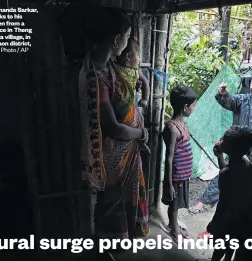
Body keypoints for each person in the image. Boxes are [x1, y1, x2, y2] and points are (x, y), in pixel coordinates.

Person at [79, 6, 149, 243]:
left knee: (117, 200)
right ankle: (111, 241)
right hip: (110, 153)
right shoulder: (94, 76)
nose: (128, 44)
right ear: (117, 39)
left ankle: (118, 239)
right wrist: (141, 133)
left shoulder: (105, 66)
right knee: (112, 202)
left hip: (122, 148)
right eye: (127, 38)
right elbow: (112, 127)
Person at [189, 71, 252, 214]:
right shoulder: (242, 99)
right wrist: (223, 94)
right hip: (239, 147)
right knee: (226, 173)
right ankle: (203, 202)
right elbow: (228, 101)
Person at [207, 126, 252, 261]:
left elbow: (223, 201)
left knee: (219, 249)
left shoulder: (226, 174)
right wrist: (220, 157)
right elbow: (229, 170)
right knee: (231, 247)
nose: (220, 140)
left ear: (230, 148)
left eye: (223, 140)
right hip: (241, 218)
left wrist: (215, 223)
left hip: (227, 218)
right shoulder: (246, 162)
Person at [162, 85, 198, 242]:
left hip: (184, 173)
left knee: (177, 202)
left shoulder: (183, 123)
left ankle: (173, 225)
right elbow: (169, 158)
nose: (194, 108)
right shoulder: (172, 128)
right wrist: (169, 184)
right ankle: (174, 230)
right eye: (193, 106)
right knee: (174, 203)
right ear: (185, 107)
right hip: (176, 175)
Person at [115, 38, 150, 109]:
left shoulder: (136, 71)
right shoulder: (115, 67)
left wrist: (145, 98)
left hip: (129, 105)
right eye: (138, 56)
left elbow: (145, 82)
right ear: (128, 56)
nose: (139, 60)